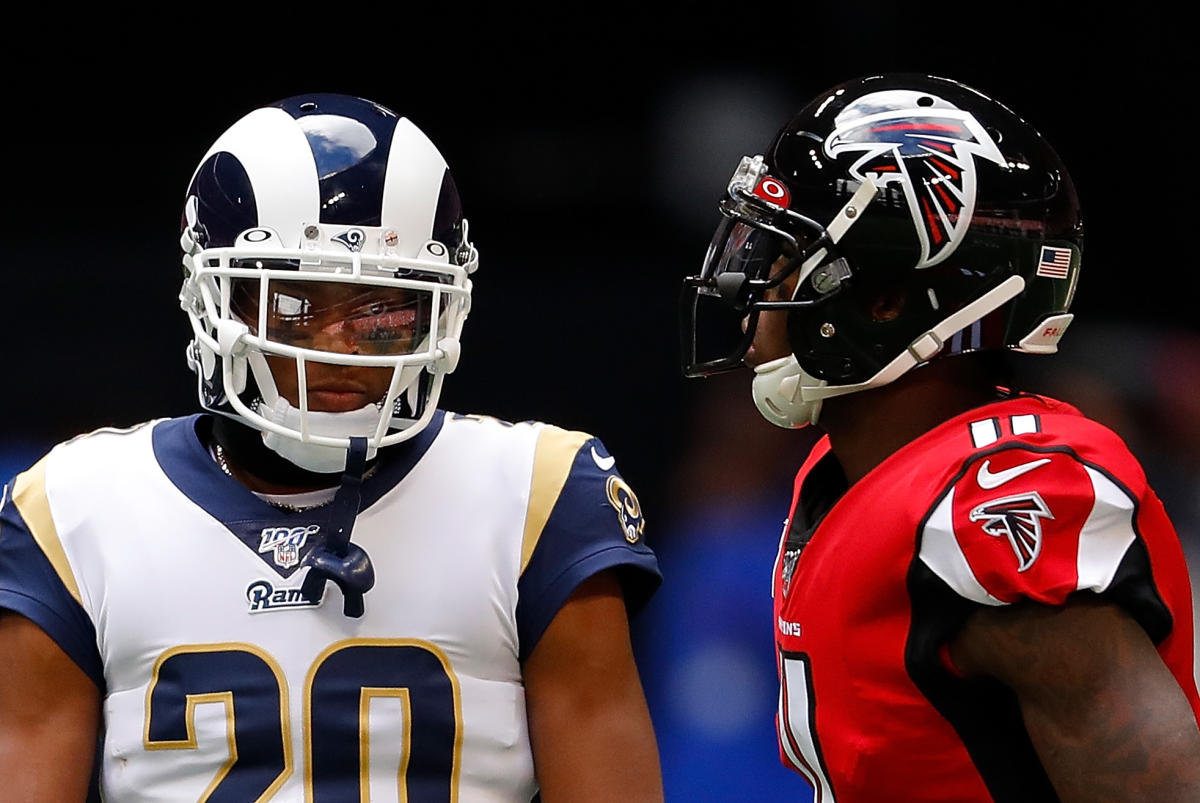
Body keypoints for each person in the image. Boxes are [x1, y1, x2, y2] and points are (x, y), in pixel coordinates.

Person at [0, 93, 663, 802]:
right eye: (296, 302)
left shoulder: (538, 494)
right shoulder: (72, 510)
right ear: (212, 302)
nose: (337, 346)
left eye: (383, 308)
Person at [679, 73, 1200, 801]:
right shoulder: (844, 469)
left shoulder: (1000, 497)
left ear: (884, 298)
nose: (752, 286)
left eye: (782, 257)